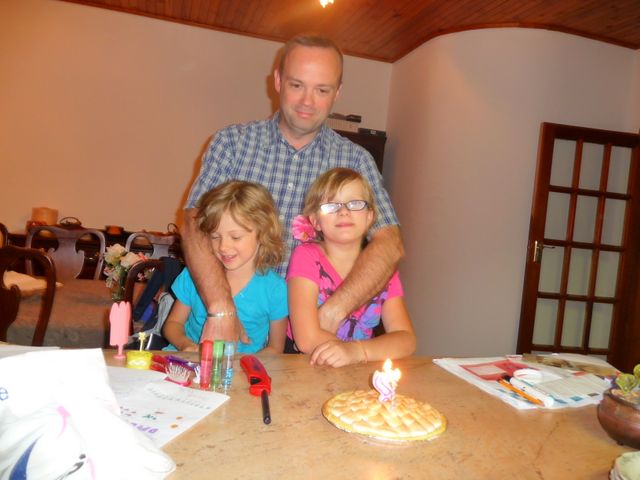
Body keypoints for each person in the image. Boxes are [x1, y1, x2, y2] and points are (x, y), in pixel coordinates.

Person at [182, 34, 404, 345]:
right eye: (297, 85)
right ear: (278, 81)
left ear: (337, 93)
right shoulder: (231, 143)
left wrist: (333, 311)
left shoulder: (356, 160)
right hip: (234, 321)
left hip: (315, 336)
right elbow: (194, 223)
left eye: (322, 90)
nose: (307, 102)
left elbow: (389, 243)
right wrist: (221, 308)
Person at [287, 168, 415, 367]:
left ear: (370, 217)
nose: (344, 211)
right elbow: (306, 338)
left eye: (355, 204)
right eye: (331, 206)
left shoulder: (383, 272)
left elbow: (406, 340)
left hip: (355, 365)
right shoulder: (306, 256)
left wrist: (357, 351)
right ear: (315, 221)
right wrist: (350, 354)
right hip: (306, 364)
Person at [163, 181, 288, 354]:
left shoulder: (275, 288)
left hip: (240, 368)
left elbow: (275, 348)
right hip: (184, 360)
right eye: (215, 237)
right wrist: (185, 345)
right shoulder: (195, 275)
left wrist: (247, 364)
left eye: (235, 237)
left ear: (263, 233)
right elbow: (172, 324)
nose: (223, 247)